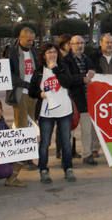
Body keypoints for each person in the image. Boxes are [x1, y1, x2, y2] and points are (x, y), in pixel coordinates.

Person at [29, 43, 76, 183]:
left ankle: (68, 168)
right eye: (49, 52)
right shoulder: (38, 71)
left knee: (66, 142)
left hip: (64, 111)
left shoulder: (62, 67)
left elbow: (68, 83)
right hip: (46, 113)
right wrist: (40, 94)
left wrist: (56, 69)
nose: (52, 54)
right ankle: (43, 169)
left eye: (54, 52)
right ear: (44, 55)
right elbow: (32, 91)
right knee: (44, 143)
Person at [62, 35, 96, 164]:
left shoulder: (88, 59)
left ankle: (87, 155)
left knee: (87, 130)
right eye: (76, 43)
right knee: (69, 131)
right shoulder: (65, 61)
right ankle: (67, 157)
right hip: (71, 101)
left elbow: (94, 75)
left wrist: (93, 73)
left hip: (87, 100)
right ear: (70, 45)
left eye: (82, 43)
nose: (80, 46)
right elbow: (67, 79)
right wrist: (82, 78)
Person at [6, 27, 38, 130]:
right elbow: (8, 73)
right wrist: (25, 84)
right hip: (20, 92)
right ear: (21, 38)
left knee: (33, 121)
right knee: (21, 123)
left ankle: (32, 144)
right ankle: (21, 144)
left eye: (33, 40)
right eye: (29, 40)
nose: (31, 42)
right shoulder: (12, 52)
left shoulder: (34, 51)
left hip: (33, 93)